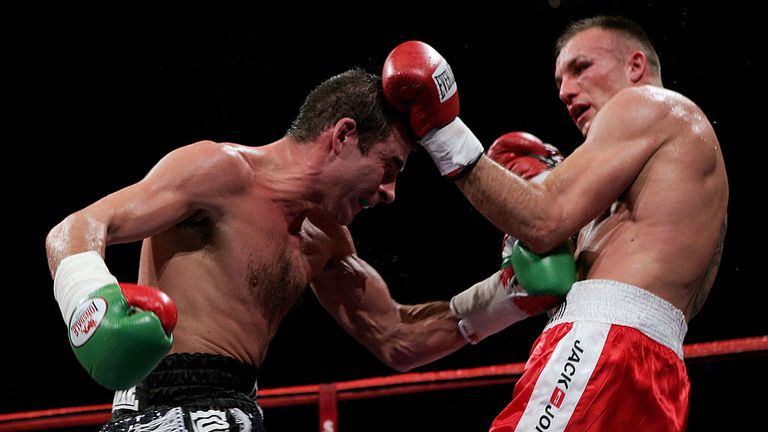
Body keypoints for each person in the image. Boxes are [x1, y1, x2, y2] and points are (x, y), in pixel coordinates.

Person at [46, 68, 560, 432]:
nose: (389, 193)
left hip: (235, 408)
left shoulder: (325, 238)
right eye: (390, 166)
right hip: (160, 402)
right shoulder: (219, 173)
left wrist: (510, 294)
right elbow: (82, 225)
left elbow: (398, 337)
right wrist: (90, 301)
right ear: (343, 136)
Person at [383, 15, 728, 431]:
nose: (566, 91)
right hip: (658, 374)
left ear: (635, 66)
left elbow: (543, 218)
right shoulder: (665, 167)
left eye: (581, 67)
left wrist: (441, 130)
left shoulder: (648, 103)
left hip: (602, 349)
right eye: (560, 81)